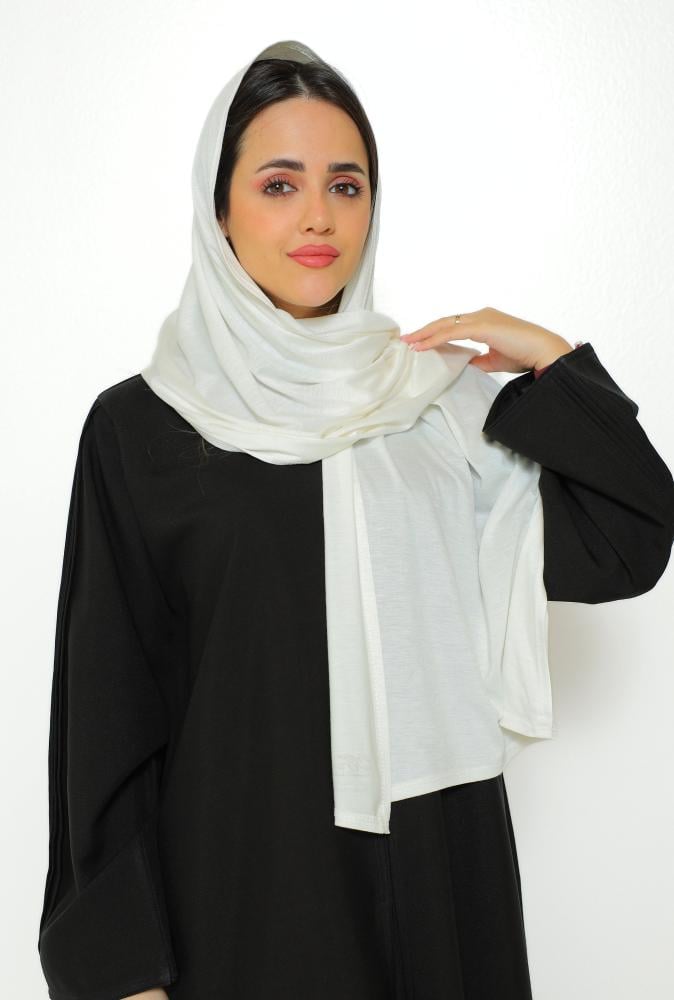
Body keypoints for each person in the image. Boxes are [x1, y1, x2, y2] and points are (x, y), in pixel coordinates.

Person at [37, 38, 674, 1000]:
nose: (319, 218)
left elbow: (626, 544)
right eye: (279, 185)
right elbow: (106, 716)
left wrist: (554, 362)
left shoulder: (432, 408)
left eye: (346, 185)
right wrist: (125, 973)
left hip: (434, 883)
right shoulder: (143, 427)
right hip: (240, 901)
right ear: (219, 207)